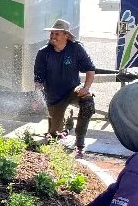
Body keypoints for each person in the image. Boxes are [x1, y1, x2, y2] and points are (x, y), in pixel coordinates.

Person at [33, 18, 96, 158]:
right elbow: (38, 80)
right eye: (52, 34)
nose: (53, 37)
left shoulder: (76, 48)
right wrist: (37, 98)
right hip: (54, 97)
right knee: (54, 136)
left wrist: (86, 88)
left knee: (88, 101)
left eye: (57, 34)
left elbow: (90, 70)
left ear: (66, 36)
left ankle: (80, 144)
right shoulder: (43, 53)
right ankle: (67, 124)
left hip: (73, 90)